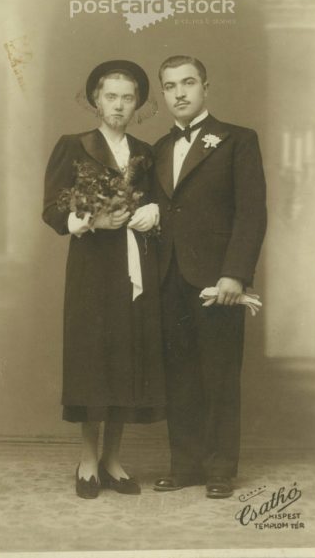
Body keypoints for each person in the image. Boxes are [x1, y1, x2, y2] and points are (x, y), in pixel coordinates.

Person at [42, 60, 164, 499]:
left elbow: (157, 203)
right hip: (92, 268)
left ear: (138, 104)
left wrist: (152, 213)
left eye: (127, 98)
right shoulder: (73, 145)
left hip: (135, 267)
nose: (118, 105)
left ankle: (114, 459)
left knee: (127, 358)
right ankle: (88, 461)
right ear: (96, 99)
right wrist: (91, 219)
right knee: (93, 359)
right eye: (110, 96)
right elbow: (53, 210)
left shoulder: (145, 152)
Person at [151, 55, 267, 499]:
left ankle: (220, 469)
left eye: (188, 83)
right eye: (169, 86)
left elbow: (251, 213)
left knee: (219, 374)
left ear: (205, 87)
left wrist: (235, 274)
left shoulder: (237, 139)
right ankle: (186, 467)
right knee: (178, 376)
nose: (179, 93)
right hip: (168, 277)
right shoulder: (158, 148)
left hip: (217, 280)